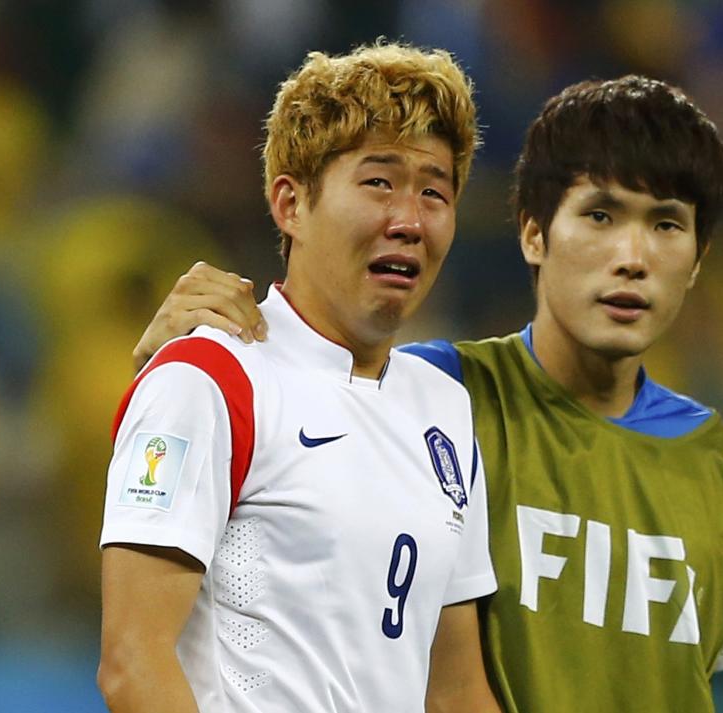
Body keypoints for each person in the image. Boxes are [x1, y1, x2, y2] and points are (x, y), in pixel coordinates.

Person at [135, 75, 723, 712]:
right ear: (533, 233)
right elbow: (294, 382)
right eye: (601, 215)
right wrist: (165, 361)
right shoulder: (440, 395)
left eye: (667, 225)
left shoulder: (718, 464)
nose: (632, 257)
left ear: (699, 257)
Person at [97, 42, 501, 713]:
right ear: (290, 203)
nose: (408, 219)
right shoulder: (210, 376)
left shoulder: (445, 409)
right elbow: (133, 663)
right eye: (379, 182)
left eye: (434, 191)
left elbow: (454, 688)